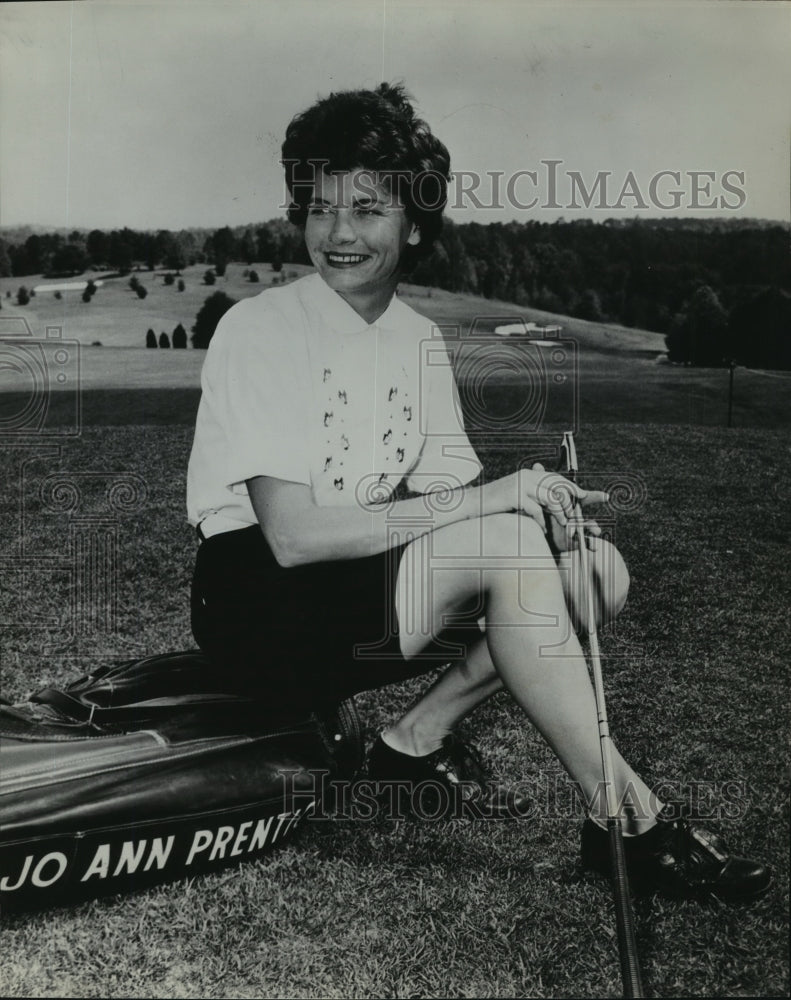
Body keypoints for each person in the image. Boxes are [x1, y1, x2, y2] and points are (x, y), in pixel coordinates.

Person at [186, 82, 770, 901]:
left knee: (594, 572)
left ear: (414, 224)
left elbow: (455, 496)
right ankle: (627, 823)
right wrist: (495, 505)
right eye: (320, 209)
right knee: (502, 540)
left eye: (366, 209)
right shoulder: (261, 330)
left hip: (359, 589)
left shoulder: (416, 339)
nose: (338, 233)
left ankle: (411, 741)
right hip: (259, 600)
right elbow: (293, 537)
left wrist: (540, 508)